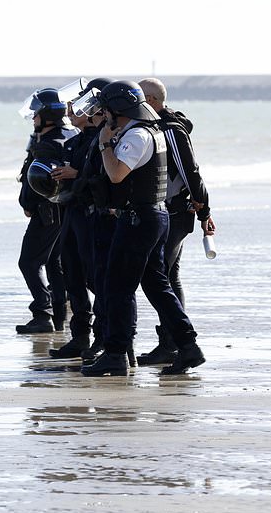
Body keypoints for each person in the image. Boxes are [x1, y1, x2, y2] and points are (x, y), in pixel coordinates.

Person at [76, 81, 205, 377]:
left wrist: (105, 143)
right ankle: (188, 346)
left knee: (117, 287)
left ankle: (116, 354)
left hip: (138, 220)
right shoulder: (152, 131)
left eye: (106, 109)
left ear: (117, 110)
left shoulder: (135, 135)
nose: (103, 115)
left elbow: (116, 174)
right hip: (154, 217)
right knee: (157, 285)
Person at [135, 78, 215, 365]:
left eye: (140, 98)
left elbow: (191, 171)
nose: (135, 104)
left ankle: (173, 344)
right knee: (169, 276)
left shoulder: (170, 129)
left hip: (175, 213)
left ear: (154, 101)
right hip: (172, 212)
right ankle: (170, 342)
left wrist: (205, 211)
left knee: (159, 278)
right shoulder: (157, 126)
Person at [47, 81, 107, 358]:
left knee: (95, 277)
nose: (72, 110)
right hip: (72, 212)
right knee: (70, 272)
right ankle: (80, 336)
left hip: (94, 215)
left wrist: (75, 174)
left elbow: (105, 177)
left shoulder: (103, 138)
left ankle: (105, 337)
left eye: (80, 105)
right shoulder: (75, 141)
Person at [15, 88, 74, 334]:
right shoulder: (69, 135)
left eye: (36, 114)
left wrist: (28, 205)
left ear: (47, 115)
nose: (33, 118)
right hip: (65, 214)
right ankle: (59, 314)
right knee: (54, 263)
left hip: (47, 213)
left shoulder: (48, 145)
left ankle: (42, 313)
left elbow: (38, 180)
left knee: (28, 263)